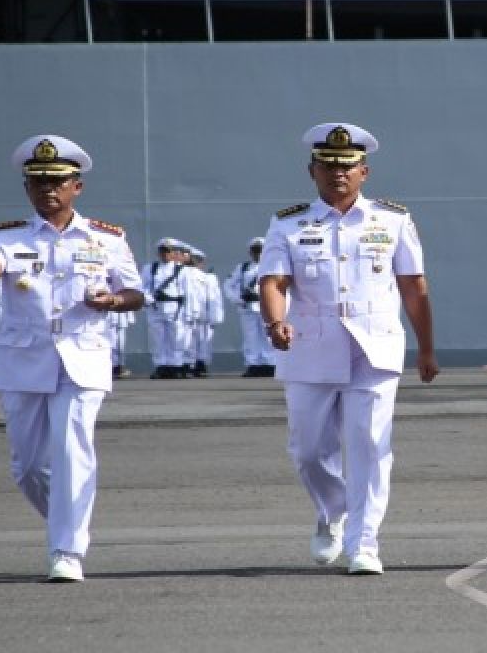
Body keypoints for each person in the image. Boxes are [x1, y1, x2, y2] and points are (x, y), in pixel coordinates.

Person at [0, 134, 144, 582]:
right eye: (37, 183)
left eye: (57, 182)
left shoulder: (107, 239)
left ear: (77, 186)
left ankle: (66, 550)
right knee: (28, 466)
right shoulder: (6, 236)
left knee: (73, 450)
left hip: (83, 357)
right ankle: (66, 518)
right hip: (24, 359)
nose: (47, 190)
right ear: (27, 189)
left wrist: (112, 301)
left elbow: (135, 292)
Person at [258, 122, 439, 576]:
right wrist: (275, 320)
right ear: (312, 171)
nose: (338, 173)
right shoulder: (289, 223)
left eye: (348, 166)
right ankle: (332, 509)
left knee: (370, 445)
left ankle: (364, 542)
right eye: (329, 165)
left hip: (374, 347)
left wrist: (426, 349)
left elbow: (414, 287)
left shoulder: (392, 221)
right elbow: (274, 281)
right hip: (310, 346)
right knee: (307, 450)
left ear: (365, 172)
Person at [140, 238, 193, 379]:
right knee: (157, 339)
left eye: (168, 251)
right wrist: (147, 298)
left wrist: (188, 313)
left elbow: (187, 293)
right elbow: (143, 287)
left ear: (174, 253)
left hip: (174, 308)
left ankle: (176, 365)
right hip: (156, 307)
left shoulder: (181, 270)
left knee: (175, 338)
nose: (165, 254)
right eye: (162, 251)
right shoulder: (150, 268)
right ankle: (161, 365)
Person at [225, 238, 276, 377]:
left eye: (260, 250)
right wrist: (238, 299)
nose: (258, 253)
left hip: (267, 307)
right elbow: (229, 285)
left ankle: (270, 364)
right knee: (250, 338)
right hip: (247, 308)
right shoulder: (242, 268)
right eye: (255, 251)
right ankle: (253, 364)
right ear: (250, 252)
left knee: (268, 336)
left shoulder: (273, 266)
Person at [186, 247, 224, 376]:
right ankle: (193, 364)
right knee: (191, 340)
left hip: (203, 313)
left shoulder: (208, 277)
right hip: (189, 313)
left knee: (203, 340)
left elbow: (213, 298)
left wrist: (214, 316)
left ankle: (200, 364)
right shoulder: (183, 275)